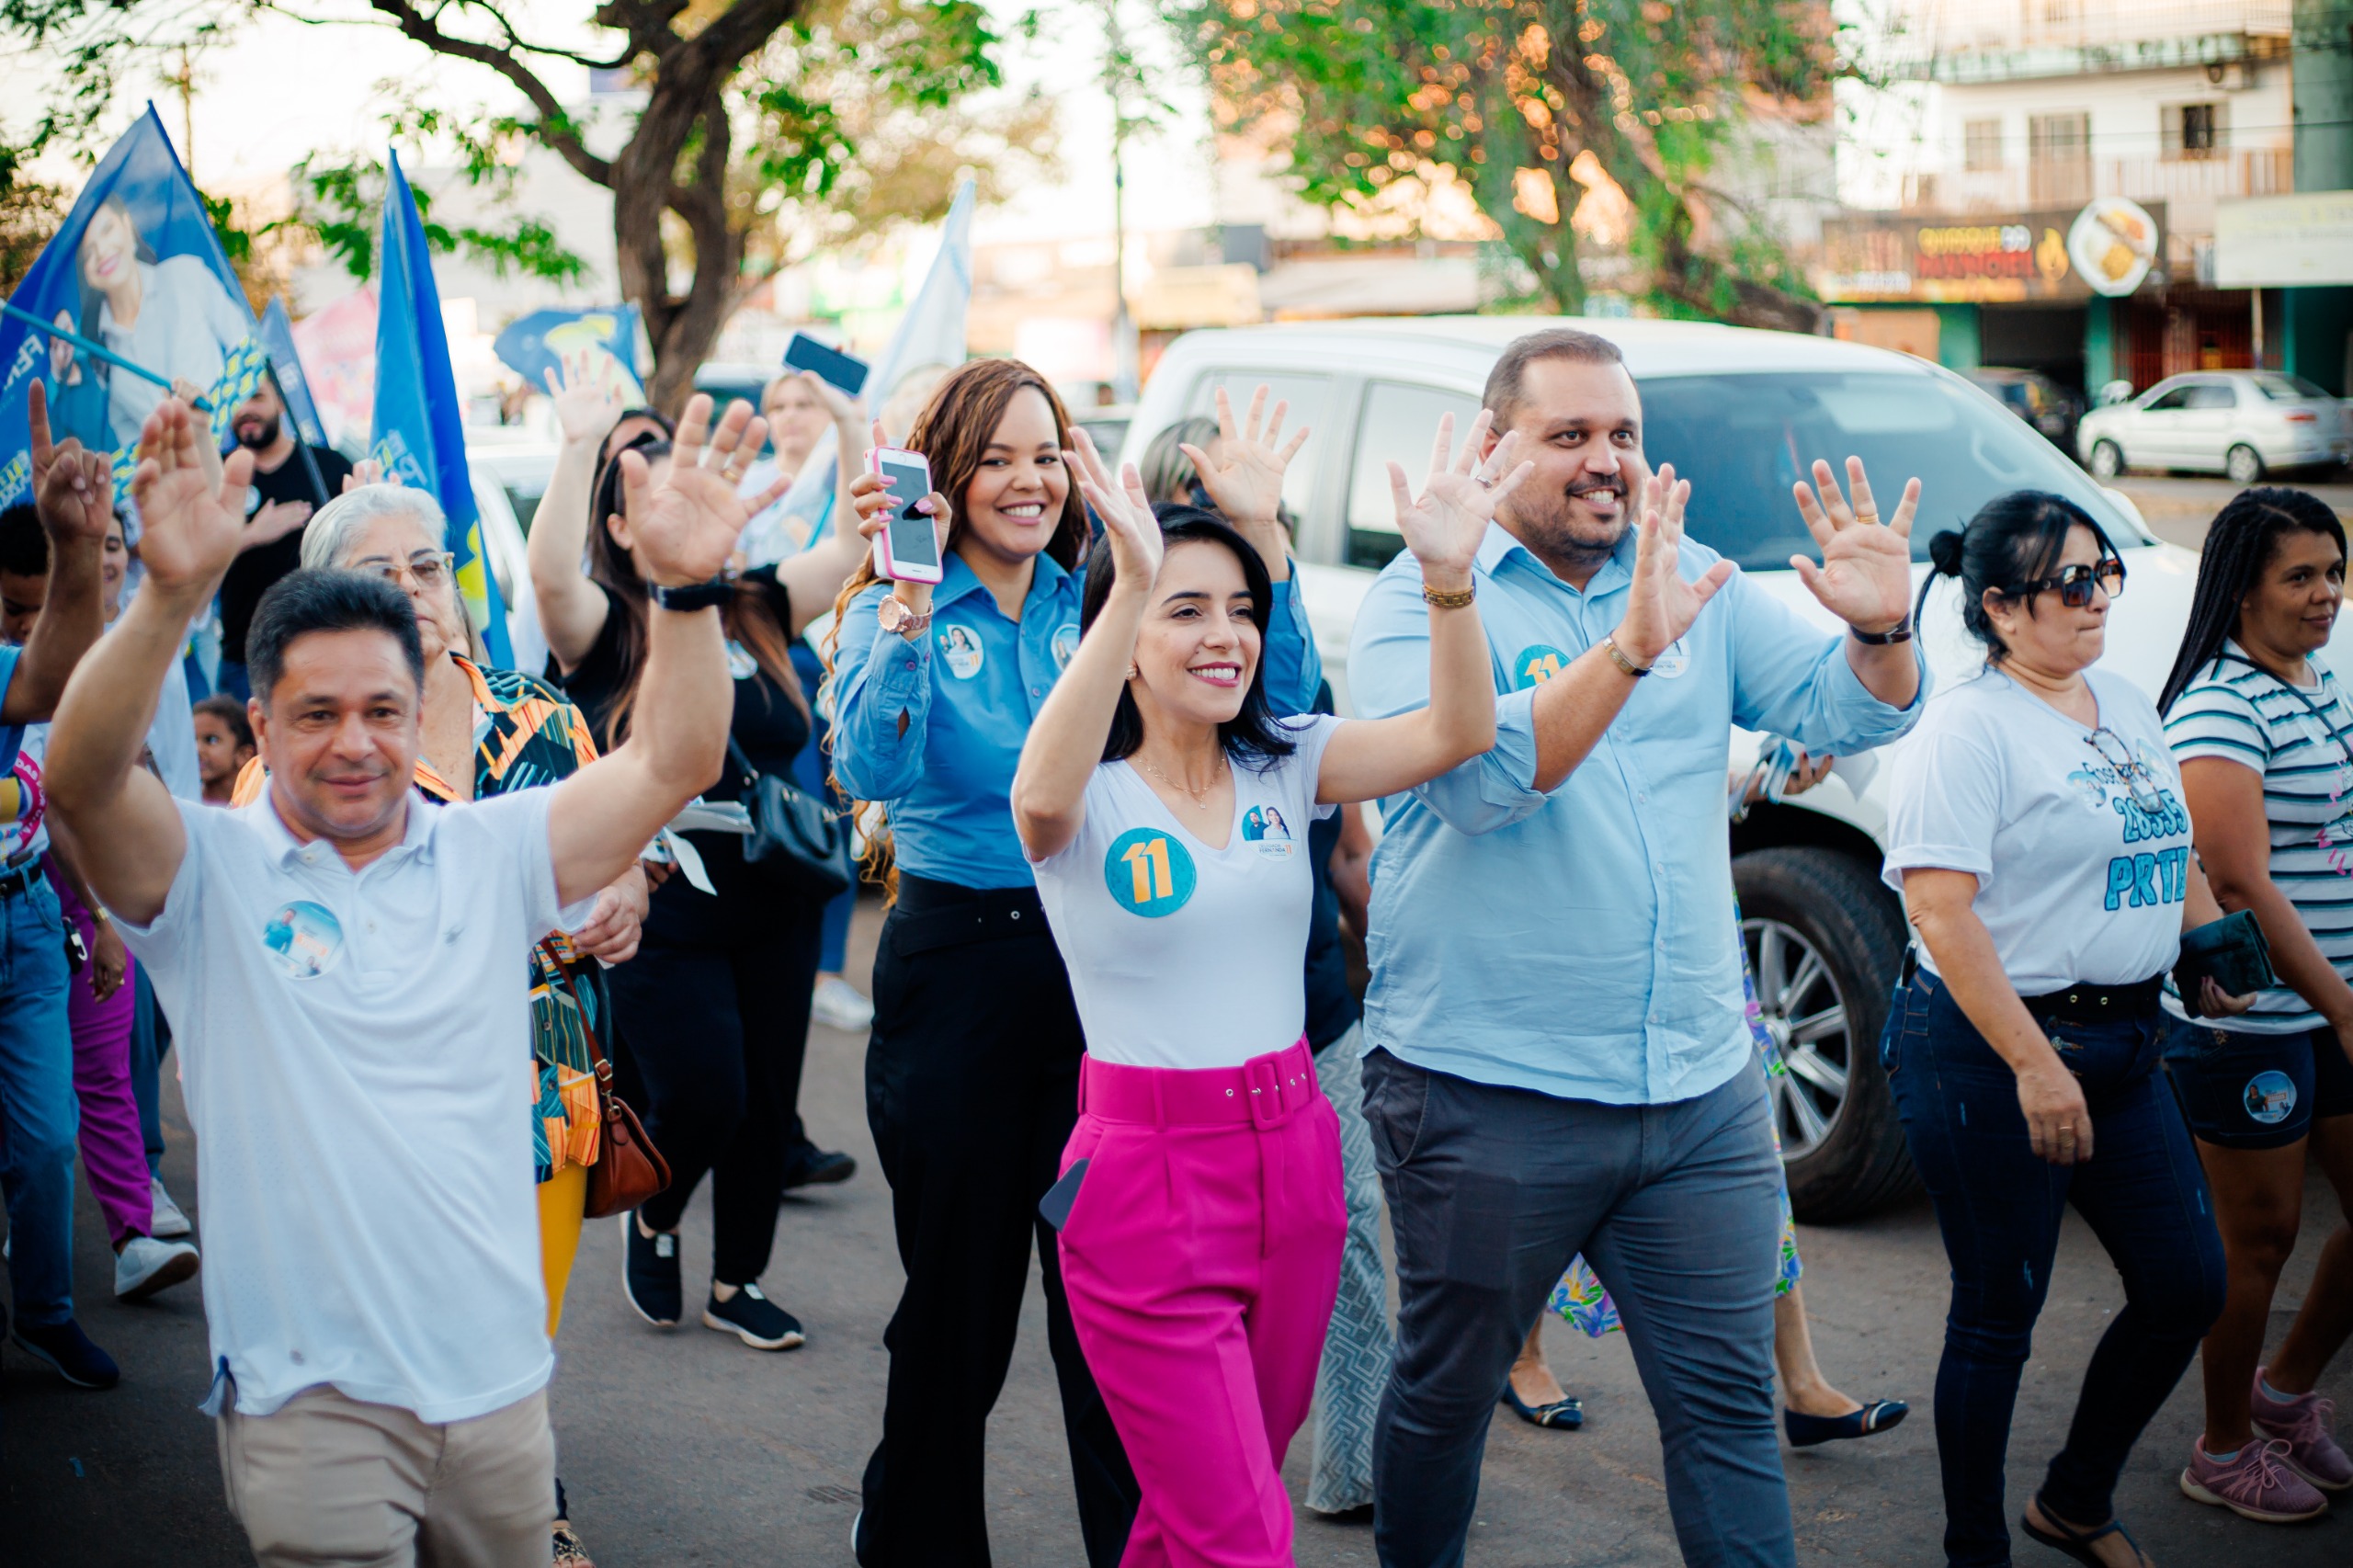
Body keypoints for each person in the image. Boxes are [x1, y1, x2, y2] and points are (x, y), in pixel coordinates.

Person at [42, 392, 777, 1568]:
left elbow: (677, 759)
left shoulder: (490, 851)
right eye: (316, 712)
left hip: (495, 1397)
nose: (355, 741)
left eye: (382, 709)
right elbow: (82, 782)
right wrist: (165, 596)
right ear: (263, 725)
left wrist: (684, 593)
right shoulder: (216, 872)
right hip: (312, 1401)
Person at [1347, 326, 1927, 1568]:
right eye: (1572, 434)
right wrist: (1628, 652)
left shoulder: (1691, 575)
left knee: (1726, 1415)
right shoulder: (1422, 597)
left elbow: (1839, 705)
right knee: (1446, 1397)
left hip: (1700, 1094)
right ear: (1497, 452)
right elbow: (1479, 781)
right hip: (1483, 1086)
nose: (1607, 459)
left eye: (1623, 434)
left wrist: (1882, 632)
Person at [827, 368, 1318, 1567]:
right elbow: (873, 767)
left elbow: (1282, 710)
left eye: (1047, 454)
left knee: (1123, 1339)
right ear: (942, 475)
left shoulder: (1103, 594)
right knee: (960, 1310)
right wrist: (902, 601)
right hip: (964, 977)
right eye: (996, 457)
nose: (1030, 480)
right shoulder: (895, 605)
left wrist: (1262, 542)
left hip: (1112, 977)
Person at [1013, 408, 1518, 1564]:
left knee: (1201, 1513)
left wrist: (1450, 581)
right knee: (1242, 1533)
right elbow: (1036, 799)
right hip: (1143, 1189)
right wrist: (1132, 570)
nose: (1224, 636)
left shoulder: (1287, 758)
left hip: (1294, 1163)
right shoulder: (1082, 793)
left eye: (1239, 610)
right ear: (1121, 636)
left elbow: (1458, 729)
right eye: (1184, 611)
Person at [267, 482, 652, 1565]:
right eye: (378, 576)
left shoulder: (543, 713)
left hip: (546, 1073)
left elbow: (611, 842)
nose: (413, 592)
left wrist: (628, 886)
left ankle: (528, 1505)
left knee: (517, 1324)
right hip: (383, 1089)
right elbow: (284, 916)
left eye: (426, 568)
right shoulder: (303, 738)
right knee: (398, 1322)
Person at [1886, 491, 2242, 1567]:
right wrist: (2036, 1068)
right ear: (1997, 607)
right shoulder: (1968, 725)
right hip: (1993, 1054)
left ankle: (2073, 1499)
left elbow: (2160, 834)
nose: (2096, 600)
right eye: (2069, 583)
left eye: (2104, 575)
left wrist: (2208, 937)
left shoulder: (2122, 698)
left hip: (2128, 1045)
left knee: (2188, 1283)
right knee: (2000, 1311)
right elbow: (1939, 910)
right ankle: (1973, 1545)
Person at [531, 375, 886, 1355]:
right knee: (704, 1089)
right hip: (661, 898)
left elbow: (853, 549)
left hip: (774, 889)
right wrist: (579, 442)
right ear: (620, 517)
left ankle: (740, 1279)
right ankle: (655, 1208)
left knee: (769, 1097)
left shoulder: (759, 604)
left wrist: (852, 425)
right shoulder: (607, 626)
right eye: (648, 482)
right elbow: (549, 577)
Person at [2156, 485, 2353, 1522]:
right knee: (2257, 1243)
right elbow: (2237, 882)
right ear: (2242, 590)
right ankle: (2223, 1445)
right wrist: (2343, 1005)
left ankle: (2281, 1393)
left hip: (2332, 1006)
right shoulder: (2217, 707)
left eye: (2334, 570)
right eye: (2299, 575)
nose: (2325, 594)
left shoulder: (2314, 680)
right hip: (2253, 1022)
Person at [0, 383, 114, 1387]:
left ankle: (42, 1311)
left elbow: (55, 674)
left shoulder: (10, 660)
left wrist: (77, 545)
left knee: (45, 1146)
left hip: (29, 923)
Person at [48, 195, 252, 451]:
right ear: (84, 272)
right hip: (183, 482)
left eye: (107, 230)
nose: (102, 252)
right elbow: (130, 438)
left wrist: (213, 415)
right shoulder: (99, 351)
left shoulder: (186, 275)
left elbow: (245, 348)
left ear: (127, 226)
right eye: (88, 252)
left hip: (242, 450)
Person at [211, 377, 354, 702]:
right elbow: (194, 563)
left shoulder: (328, 467)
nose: (246, 410)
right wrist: (251, 536)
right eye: (236, 402)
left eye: (256, 397)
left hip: (325, 649)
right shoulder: (218, 474)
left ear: (280, 400)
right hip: (245, 660)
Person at [194, 692, 256, 803]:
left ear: (244, 754)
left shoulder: (255, 803)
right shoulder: (184, 805)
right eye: (192, 740)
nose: (197, 749)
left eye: (211, 740)